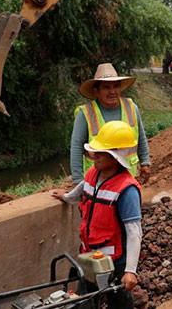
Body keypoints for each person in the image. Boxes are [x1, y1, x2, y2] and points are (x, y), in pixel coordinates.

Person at [52, 120, 142, 309]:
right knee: (82, 301)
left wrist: (130, 271)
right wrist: (67, 197)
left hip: (114, 261)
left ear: (116, 156)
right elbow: (83, 188)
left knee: (119, 303)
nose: (95, 156)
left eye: (101, 153)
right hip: (88, 254)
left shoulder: (127, 189)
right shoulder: (94, 172)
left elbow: (134, 232)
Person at [71, 63, 150, 185]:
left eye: (116, 86)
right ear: (96, 91)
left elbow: (141, 138)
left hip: (127, 177)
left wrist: (145, 162)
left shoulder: (131, 108)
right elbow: (76, 147)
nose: (112, 91)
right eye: (106, 87)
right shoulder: (86, 114)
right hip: (97, 179)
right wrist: (77, 180)